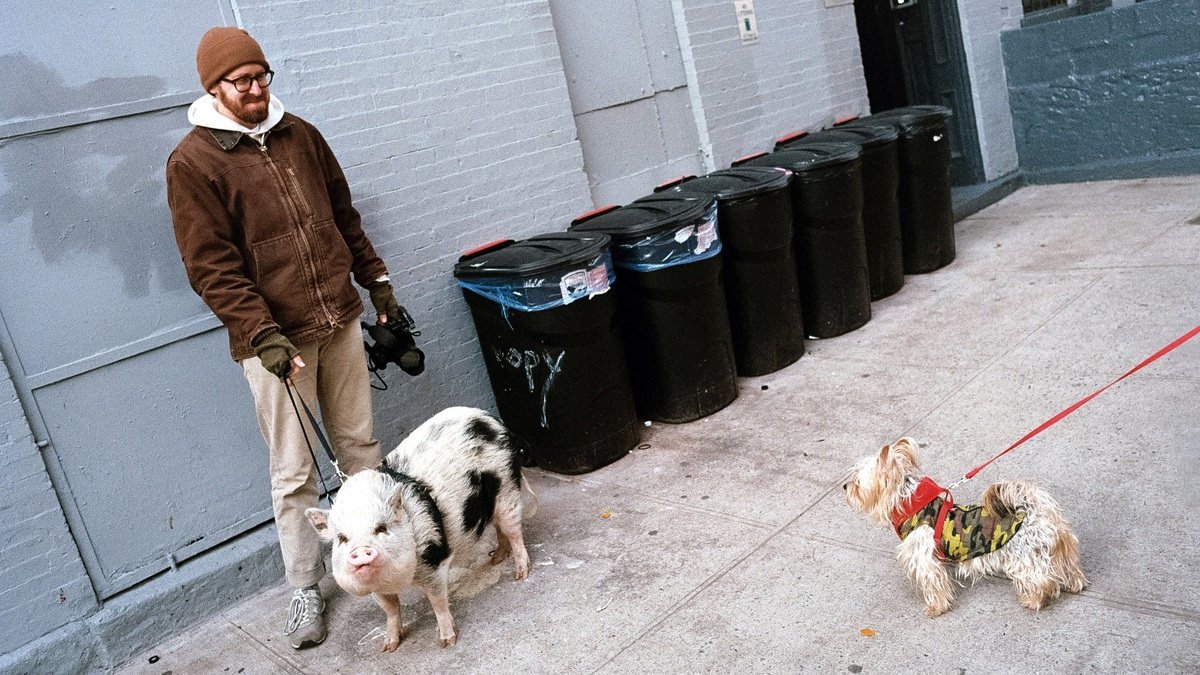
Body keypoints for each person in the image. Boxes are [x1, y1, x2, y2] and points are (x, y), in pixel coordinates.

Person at [166, 26, 403, 649]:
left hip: (338, 316)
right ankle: (305, 588)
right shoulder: (193, 161)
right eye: (240, 82)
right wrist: (260, 333)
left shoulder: (301, 134)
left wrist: (376, 282)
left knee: (359, 445)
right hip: (277, 343)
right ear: (213, 89)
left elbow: (342, 215)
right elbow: (210, 266)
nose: (255, 90)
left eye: (261, 77)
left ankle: (385, 559)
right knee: (295, 472)